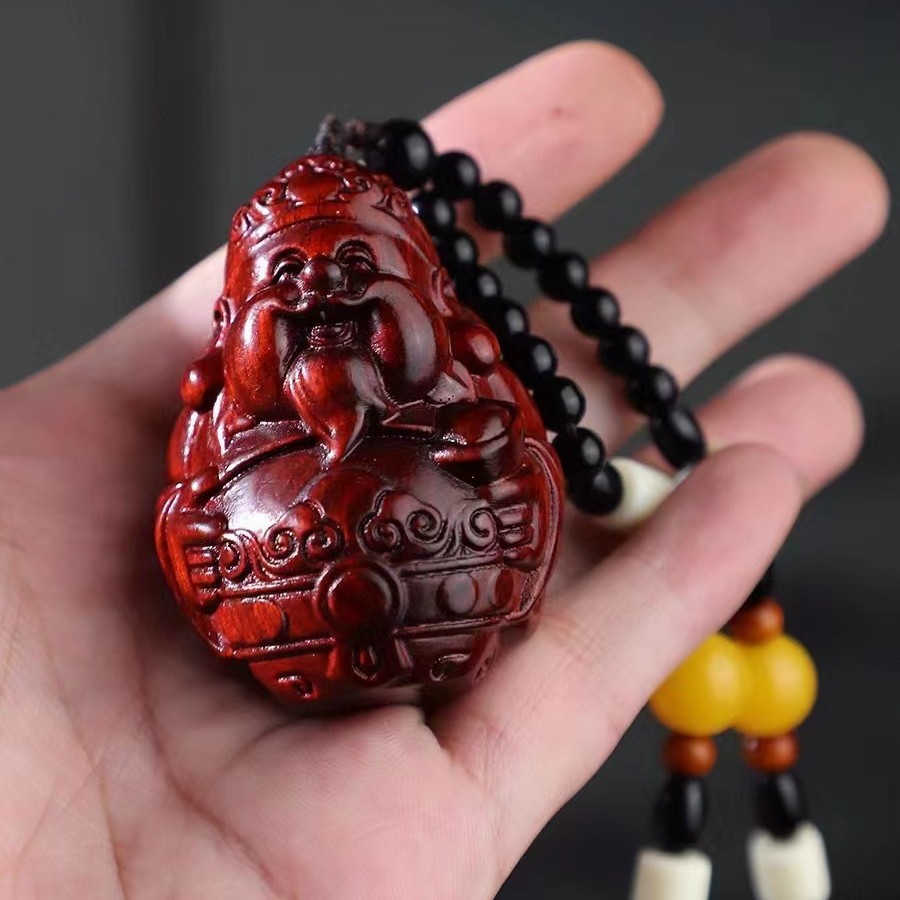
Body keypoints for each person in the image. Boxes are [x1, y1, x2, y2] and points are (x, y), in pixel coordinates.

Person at [0, 41, 886, 897]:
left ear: (429, 295)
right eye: (286, 278)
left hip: (452, 613)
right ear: (232, 321)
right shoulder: (219, 421)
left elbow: (526, 473)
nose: (321, 293)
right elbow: (188, 512)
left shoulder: (469, 392)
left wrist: (494, 458)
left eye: (358, 266)